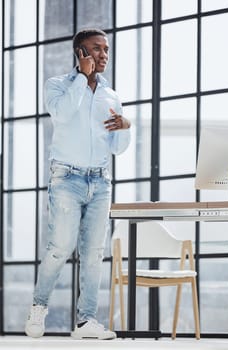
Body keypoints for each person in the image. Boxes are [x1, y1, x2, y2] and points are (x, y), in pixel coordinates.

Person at [25, 28, 131, 340]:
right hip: (66, 179)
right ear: (80, 53)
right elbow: (61, 114)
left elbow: (117, 147)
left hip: (100, 182)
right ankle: (38, 307)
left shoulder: (111, 96)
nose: (103, 56)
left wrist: (126, 127)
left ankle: (86, 322)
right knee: (60, 247)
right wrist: (82, 81)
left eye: (106, 50)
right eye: (96, 49)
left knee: (94, 252)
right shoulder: (58, 85)